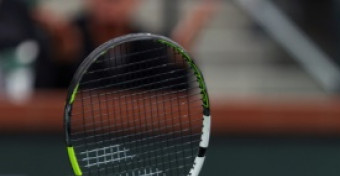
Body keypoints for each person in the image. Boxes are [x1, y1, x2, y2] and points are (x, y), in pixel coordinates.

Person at [35, 0, 219, 89]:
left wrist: (178, 60)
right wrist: (63, 60)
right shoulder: (63, 37)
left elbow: (173, 105)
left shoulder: (152, 45)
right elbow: (42, 101)